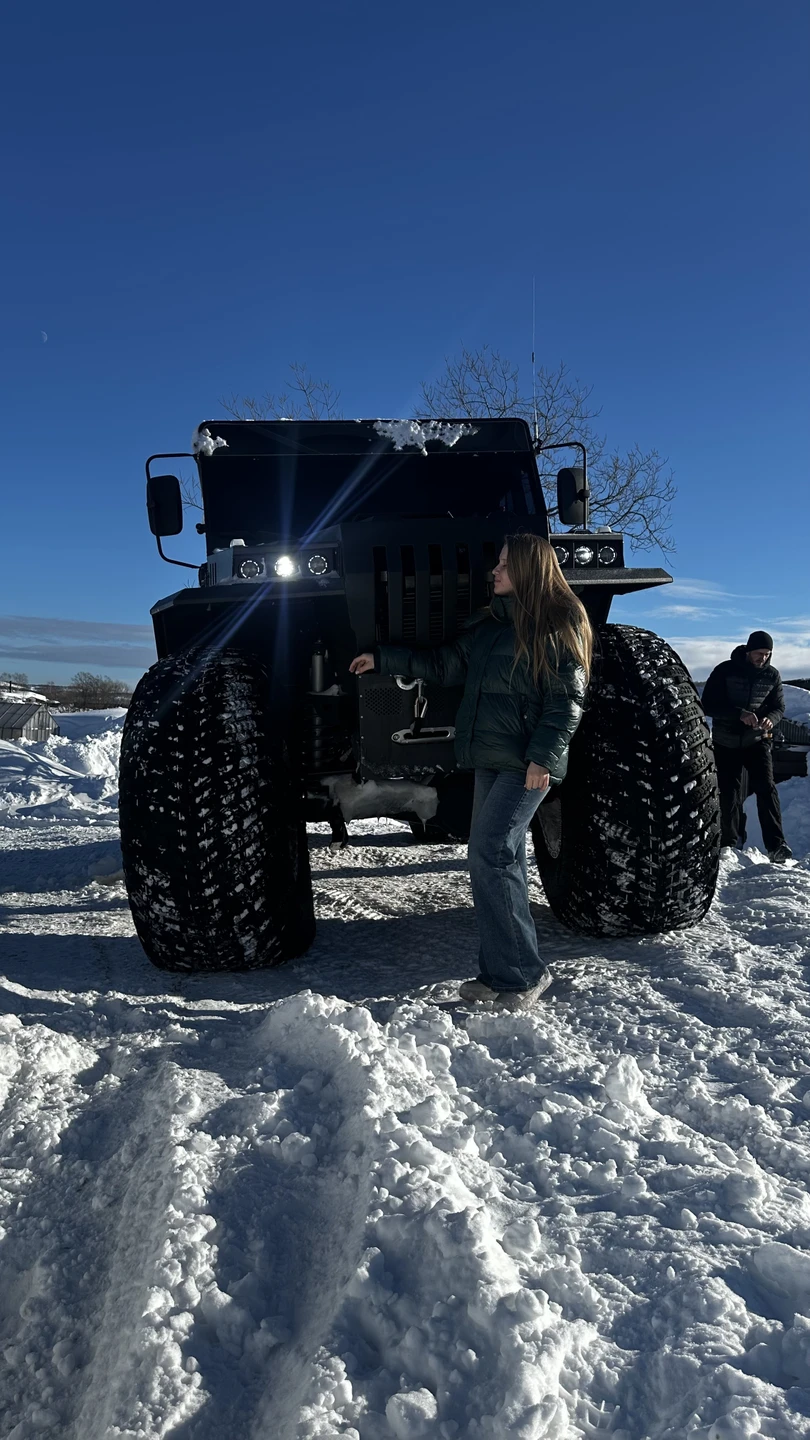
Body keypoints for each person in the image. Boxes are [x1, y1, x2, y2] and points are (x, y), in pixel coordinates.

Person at [349, 534, 592, 1009]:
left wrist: (543, 757)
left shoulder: (558, 623)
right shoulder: (489, 626)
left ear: (528, 569)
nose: (494, 572)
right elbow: (441, 665)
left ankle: (521, 975)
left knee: (490, 855)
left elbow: (567, 701)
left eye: (503, 564)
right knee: (502, 861)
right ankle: (499, 970)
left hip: (528, 763)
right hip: (489, 760)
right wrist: (383, 658)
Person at [702, 630, 792, 863]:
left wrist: (771, 718)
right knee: (728, 792)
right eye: (759, 653)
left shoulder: (772, 676)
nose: (762, 658)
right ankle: (727, 845)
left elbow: (779, 707)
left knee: (767, 789)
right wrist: (738, 714)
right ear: (748, 650)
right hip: (726, 741)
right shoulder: (725, 670)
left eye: (767, 654)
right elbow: (709, 703)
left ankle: (777, 846)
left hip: (757, 740)